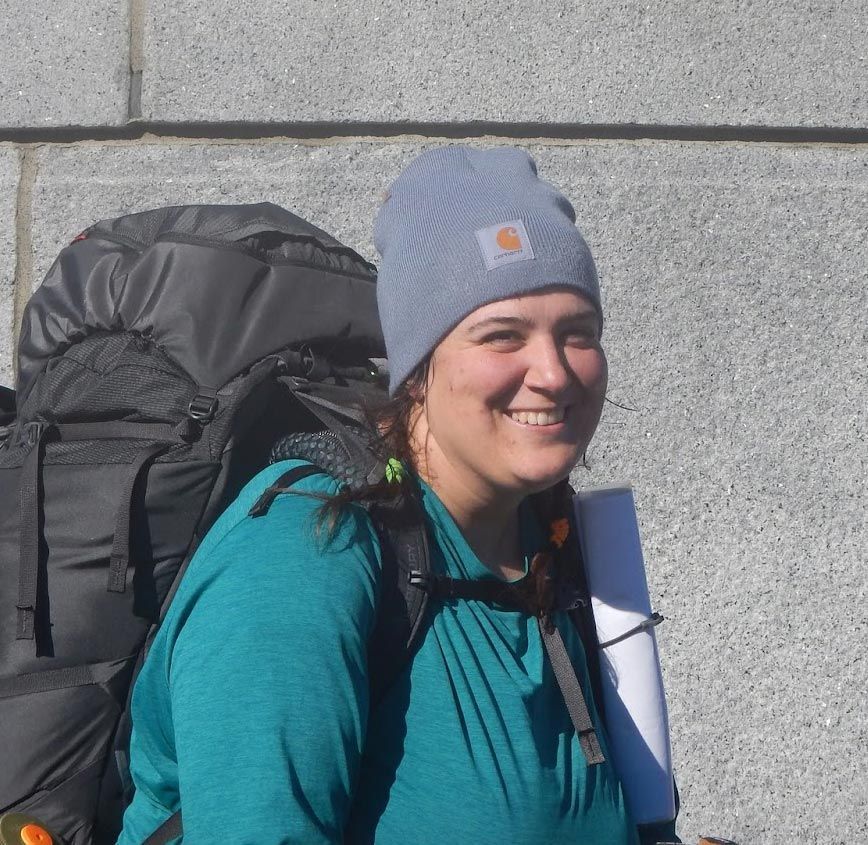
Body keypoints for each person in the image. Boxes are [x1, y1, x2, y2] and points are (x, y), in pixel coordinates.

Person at [117, 146, 679, 844]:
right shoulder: (304, 553)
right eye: (501, 335)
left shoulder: (551, 551)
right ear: (416, 369)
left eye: (578, 333)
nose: (554, 373)